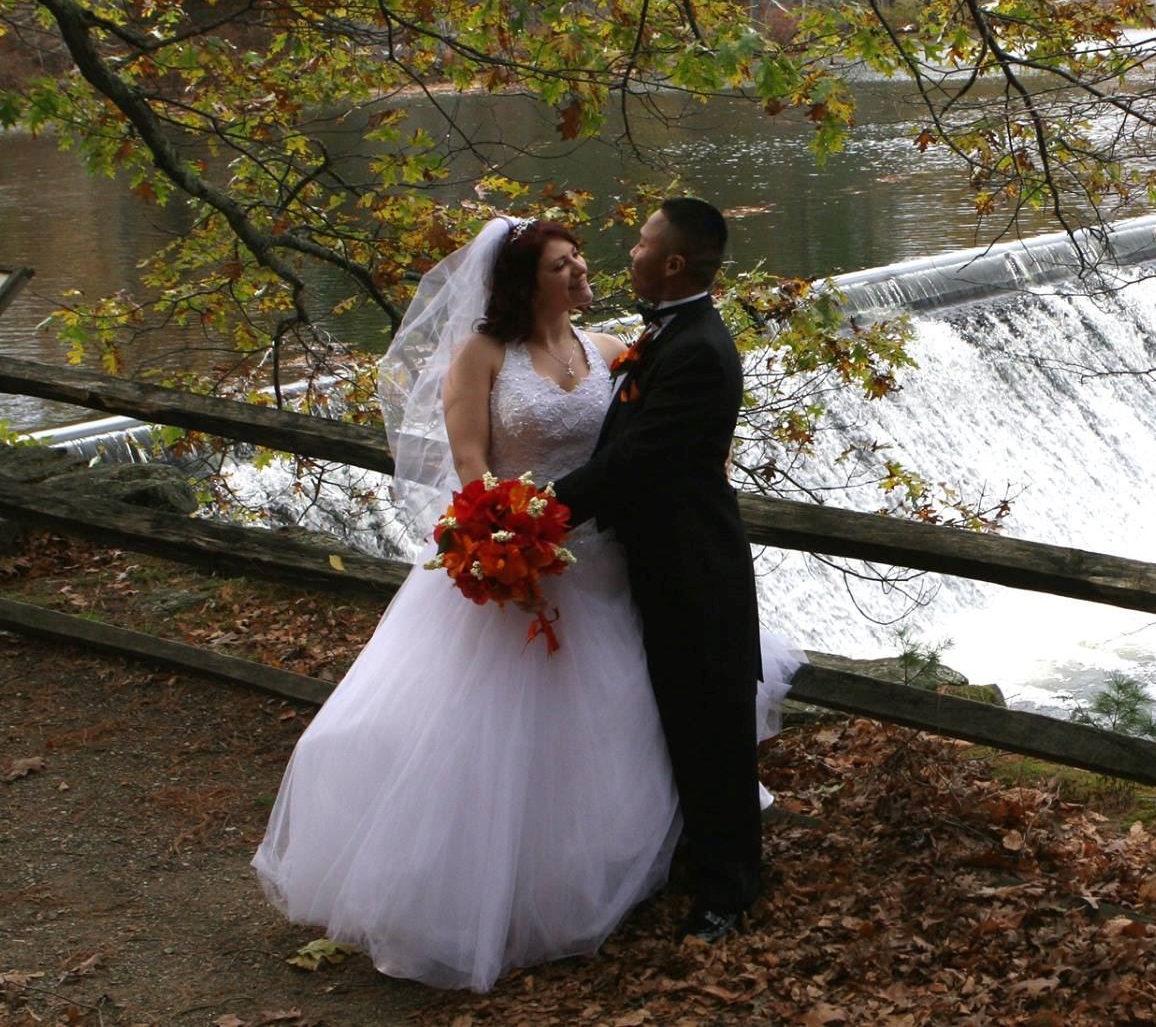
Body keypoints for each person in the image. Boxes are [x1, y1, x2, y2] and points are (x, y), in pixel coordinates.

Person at [252, 215, 800, 991]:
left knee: (634, 714)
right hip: (527, 560)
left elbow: (655, 448)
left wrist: (545, 518)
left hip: (607, 563)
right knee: (518, 731)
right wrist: (499, 533)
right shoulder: (483, 355)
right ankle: (517, 880)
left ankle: (670, 866)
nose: (588, 268)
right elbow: (470, 462)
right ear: (522, 280)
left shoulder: (614, 348)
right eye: (562, 263)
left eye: (587, 258)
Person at [552, 197, 766, 945]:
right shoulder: (665, 334)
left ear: (672, 262)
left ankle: (729, 894)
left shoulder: (700, 351)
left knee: (714, 730)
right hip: (656, 563)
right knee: (675, 721)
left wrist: (541, 509)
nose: (631, 249)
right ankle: (692, 859)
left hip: (696, 569)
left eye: (642, 241)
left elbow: (637, 462)